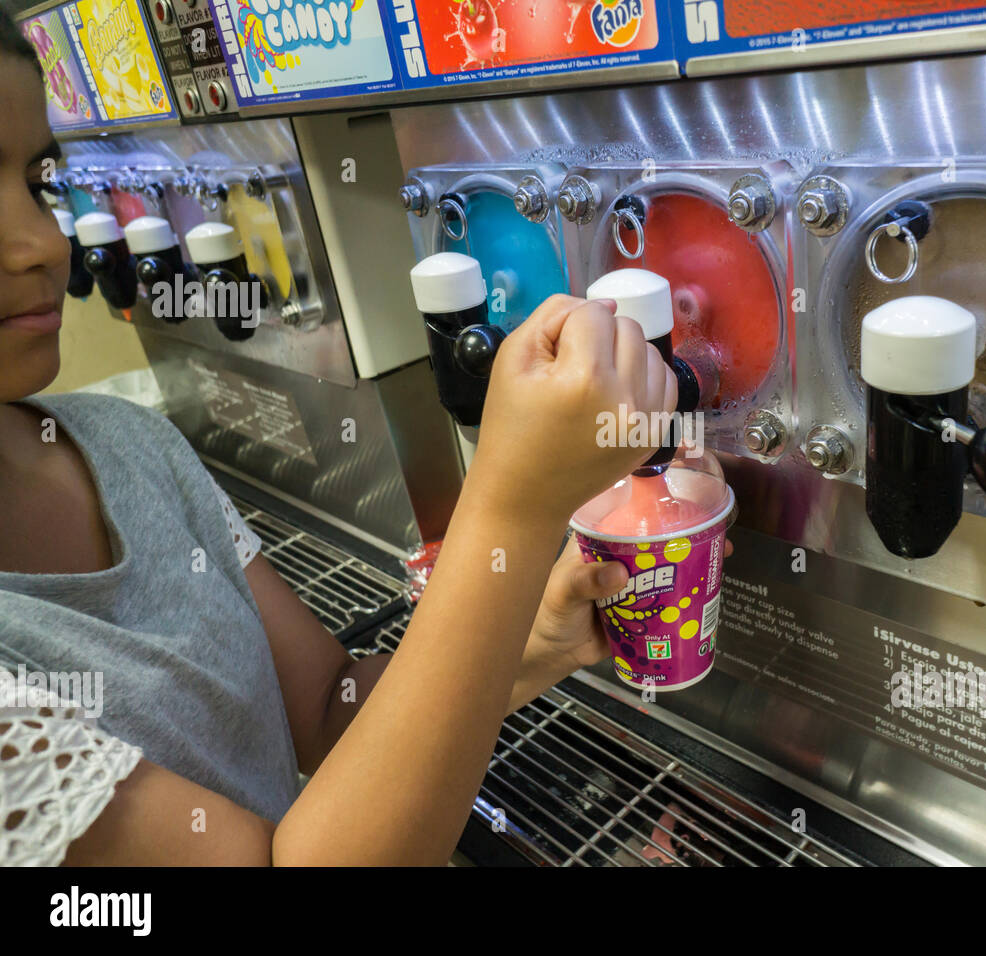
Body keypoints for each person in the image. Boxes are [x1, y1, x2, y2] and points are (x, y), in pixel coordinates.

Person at [0, 9, 682, 865]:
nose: (36, 244)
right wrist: (513, 506)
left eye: (37, 182)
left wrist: (527, 643)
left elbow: (327, 709)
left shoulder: (130, 444)